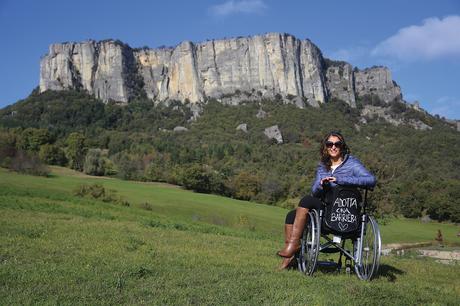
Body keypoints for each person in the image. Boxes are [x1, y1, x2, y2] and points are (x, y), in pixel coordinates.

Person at [277, 131, 377, 269]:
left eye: (337, 144)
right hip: (325, 206)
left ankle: (294, 245)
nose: (333, 147)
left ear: (342, 146)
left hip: (344, 209)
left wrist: (340, 180)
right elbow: (314, 191)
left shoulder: (352, 163)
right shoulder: (323, 166)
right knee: (291, 215)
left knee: (306, 201)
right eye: (330, 144)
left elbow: (371, 180)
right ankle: (291, 257)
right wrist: (322, 184)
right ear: (326, 146)